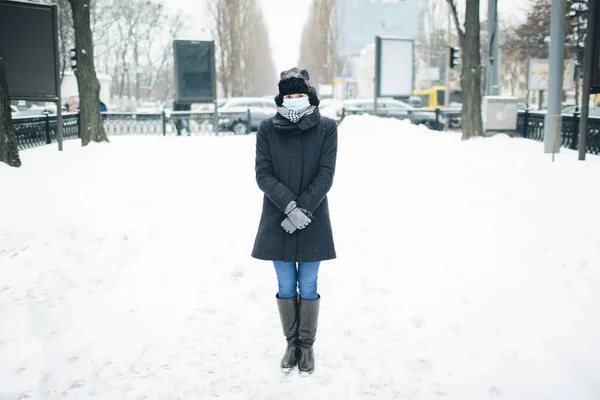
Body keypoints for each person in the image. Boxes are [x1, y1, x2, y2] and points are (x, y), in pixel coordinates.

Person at [252, 68, 338, 375]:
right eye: (288, 95)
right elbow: (263, 174)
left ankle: (307, 346)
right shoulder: (267, 129)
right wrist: (289, 207)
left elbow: (325, 175)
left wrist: (302, 210)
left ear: (309, 96)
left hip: (313, 217)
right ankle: (291, 344)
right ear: (281, 98)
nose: (293, 99)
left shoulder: (327, 128)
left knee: (309, 284)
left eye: (298, 94)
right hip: (278, 218)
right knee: (286, 284)